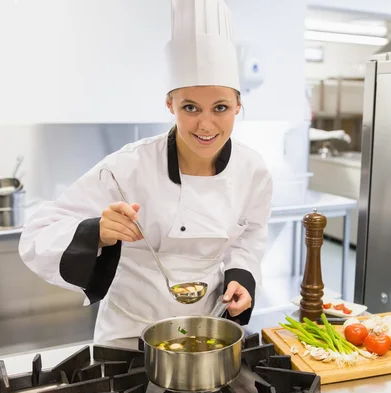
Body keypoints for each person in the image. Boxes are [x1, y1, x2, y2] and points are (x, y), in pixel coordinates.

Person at [18, 0, 273, 344]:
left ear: (238, 107)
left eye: (221, 108)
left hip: (209, 331)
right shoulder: (127, 167)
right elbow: (37, 234)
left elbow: (250, 237)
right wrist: (98, 233)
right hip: (130, 334)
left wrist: (242, 275)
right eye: (190, 108)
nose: (206, 124)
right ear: (170, 105)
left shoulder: (253, 170)